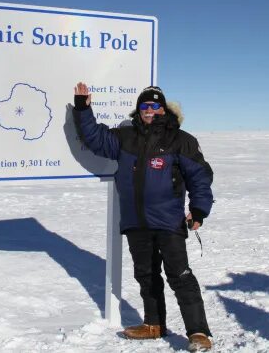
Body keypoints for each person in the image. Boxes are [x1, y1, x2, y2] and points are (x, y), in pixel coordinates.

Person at [73, 82, 214, 352]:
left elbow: (200, 177)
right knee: (146, 275)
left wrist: (198, 209)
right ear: (139, 110)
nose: (150, 110)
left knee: (180, 275)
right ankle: (153, 324)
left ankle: (198, 332)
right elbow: (95, 138)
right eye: (145, 106)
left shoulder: (180, 140)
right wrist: (83, 108)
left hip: (168, 221)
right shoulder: (126, 138)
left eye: (155, 105)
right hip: (136, 222)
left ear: (164, 109)